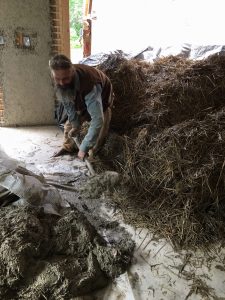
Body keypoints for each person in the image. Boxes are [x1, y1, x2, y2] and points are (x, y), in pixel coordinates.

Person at [49, 54, 113, 160]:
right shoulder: (61, 78)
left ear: (72, 72)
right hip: (80, 94)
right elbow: (68, 104)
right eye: (57, 79)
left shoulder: (90, 84)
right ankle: (68, 147)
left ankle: (92, 154)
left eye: (65, 79)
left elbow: (97, 119)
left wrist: (84, 146)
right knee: (69, 126)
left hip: (101, 95)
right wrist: (75, 125)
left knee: (101, 126)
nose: (61, 83)